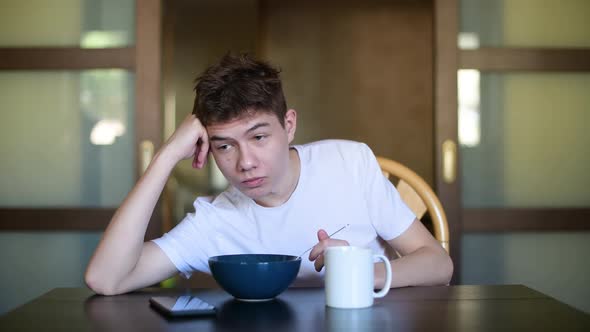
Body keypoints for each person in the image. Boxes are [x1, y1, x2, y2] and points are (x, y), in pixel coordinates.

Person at [85, 53, 453, 295]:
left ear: (289, 125)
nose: (245, 162)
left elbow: (437, 263)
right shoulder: (215, 222)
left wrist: (359, 272)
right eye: (224, 145)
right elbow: (106, 279)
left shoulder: (349, 162)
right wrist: (164, 158)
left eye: (259, 137)